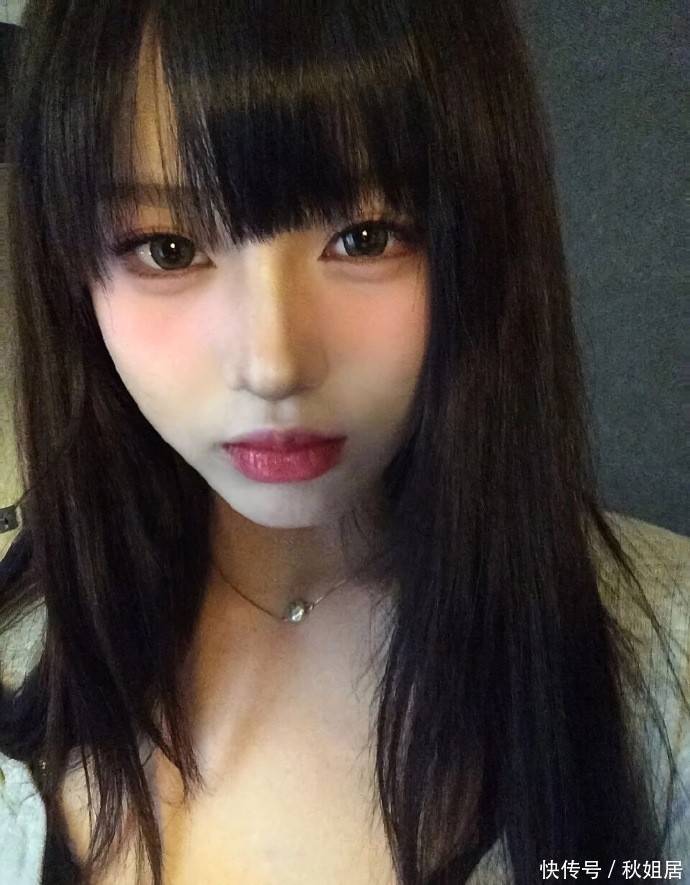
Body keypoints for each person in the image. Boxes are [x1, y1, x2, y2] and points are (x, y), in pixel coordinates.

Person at [0, 1, 688, 883]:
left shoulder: (666, 677)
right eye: (167, 249)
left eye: (364, 238)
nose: (274, 363)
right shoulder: (24, 634)